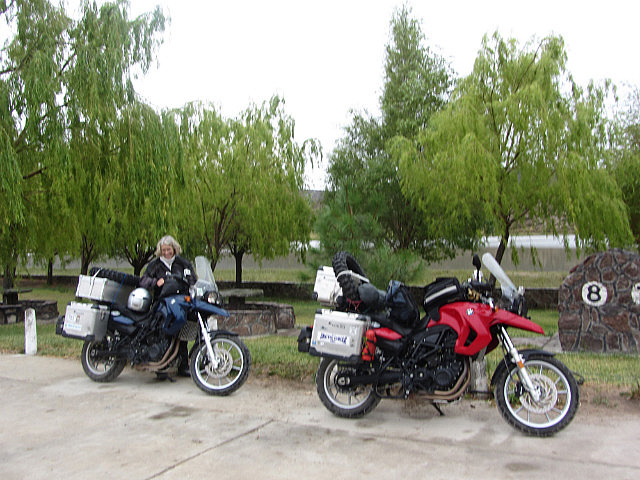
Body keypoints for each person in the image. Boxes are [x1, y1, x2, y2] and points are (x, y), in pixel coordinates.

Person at [140, 235, 196, 377]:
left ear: (174, 249)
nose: (166, 253)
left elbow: (193, 278)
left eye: (169, 249)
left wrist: (187, 280)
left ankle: (183, 365)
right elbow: (144, 281)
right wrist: (155, 282)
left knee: (182, 332)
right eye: (164, 250)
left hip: (181, 302)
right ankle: (161, 366)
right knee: (162, 333)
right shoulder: (155, 265)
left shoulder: (183, 263)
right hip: (162, 303)